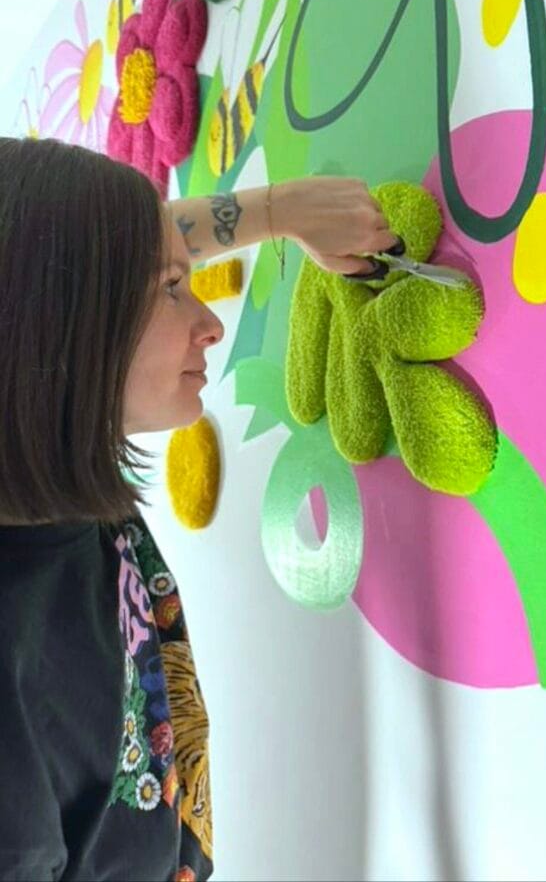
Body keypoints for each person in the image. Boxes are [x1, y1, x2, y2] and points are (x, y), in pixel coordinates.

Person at [0, 136, 396, 881]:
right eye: (172, 287)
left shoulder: (55, 482)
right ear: (61, 317)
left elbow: (91, 245)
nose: (210, 322)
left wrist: (279, 211)